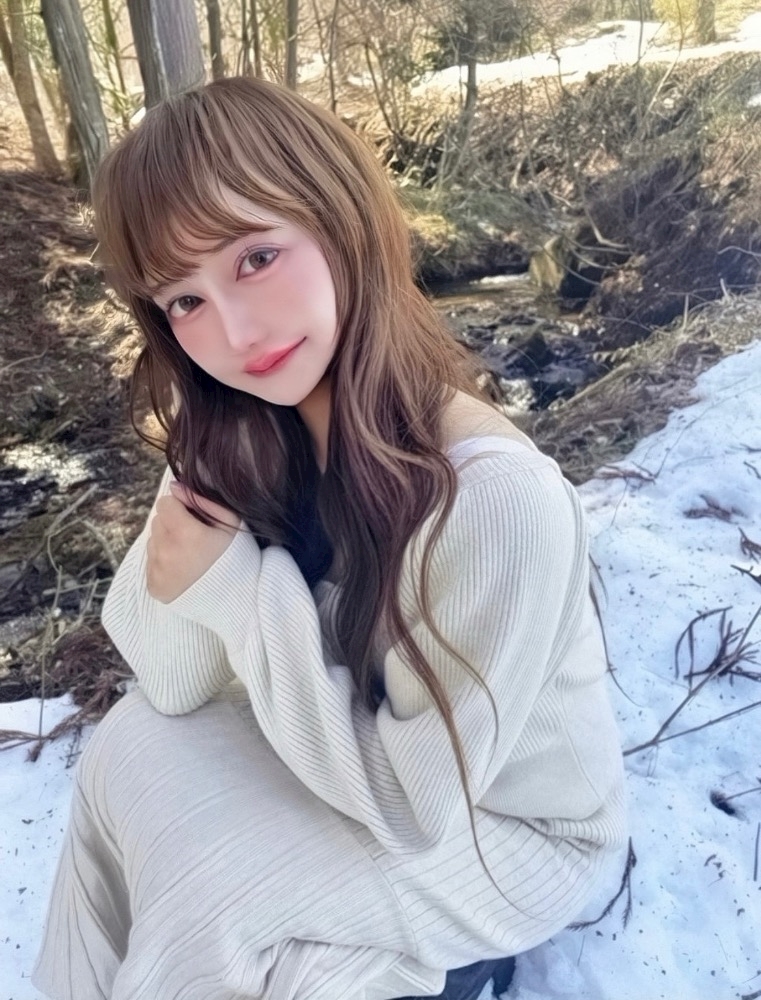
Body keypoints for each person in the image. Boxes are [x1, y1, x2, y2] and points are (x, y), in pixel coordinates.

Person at [32, 76, 626, 1000]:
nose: (233, 332)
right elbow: (175, 686)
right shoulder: (243, 431)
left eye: (256, 257)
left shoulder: (492, 499)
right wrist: (201, 560)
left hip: (508, 828)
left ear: (343, 220)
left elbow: (414, 806)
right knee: (127, 749)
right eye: (183, 301)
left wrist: (236, 590)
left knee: (221, 900)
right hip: (360, 762)